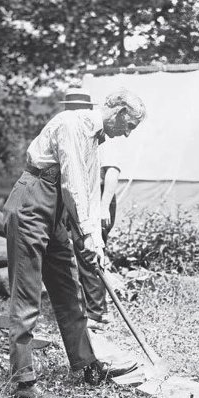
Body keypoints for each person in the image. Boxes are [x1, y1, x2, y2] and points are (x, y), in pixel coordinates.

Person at [3, 87, 146, 398]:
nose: (127, 134)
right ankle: (23, 382)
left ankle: (85, 365)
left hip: (55, 210)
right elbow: (73, 184)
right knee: (27, 295)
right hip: (33, 201)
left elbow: (90, 195)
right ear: (120, 111)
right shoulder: (71, 124)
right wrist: (87, 235)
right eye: (130, 126)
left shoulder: (95, 140)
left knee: (70, 288)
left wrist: (95, 242)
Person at [63, 88, 121, 328]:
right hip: (81, 199)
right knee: (83, 252)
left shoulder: (100, 132)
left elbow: (113, 172)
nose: (74, 111)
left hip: (100, 201)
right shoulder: (73, 130)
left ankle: (98, 312)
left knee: (92, 252)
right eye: (71, 107)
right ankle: (93, 308)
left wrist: (103, 207)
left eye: (79, 107)